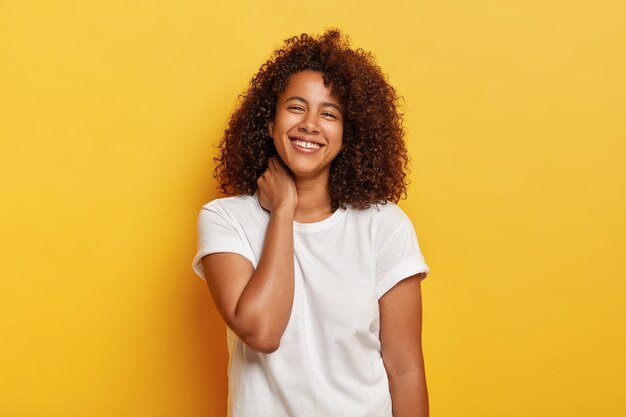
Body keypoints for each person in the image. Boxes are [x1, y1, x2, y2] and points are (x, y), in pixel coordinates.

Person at [192, 29, 431, 417]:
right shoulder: (225, 220)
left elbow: (405, 371)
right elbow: (262, 332)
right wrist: (283, 210)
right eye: (296, 107)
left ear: (347, 135)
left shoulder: (385, 226)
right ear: (268, 123)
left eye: (329, 113)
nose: (310, 124)